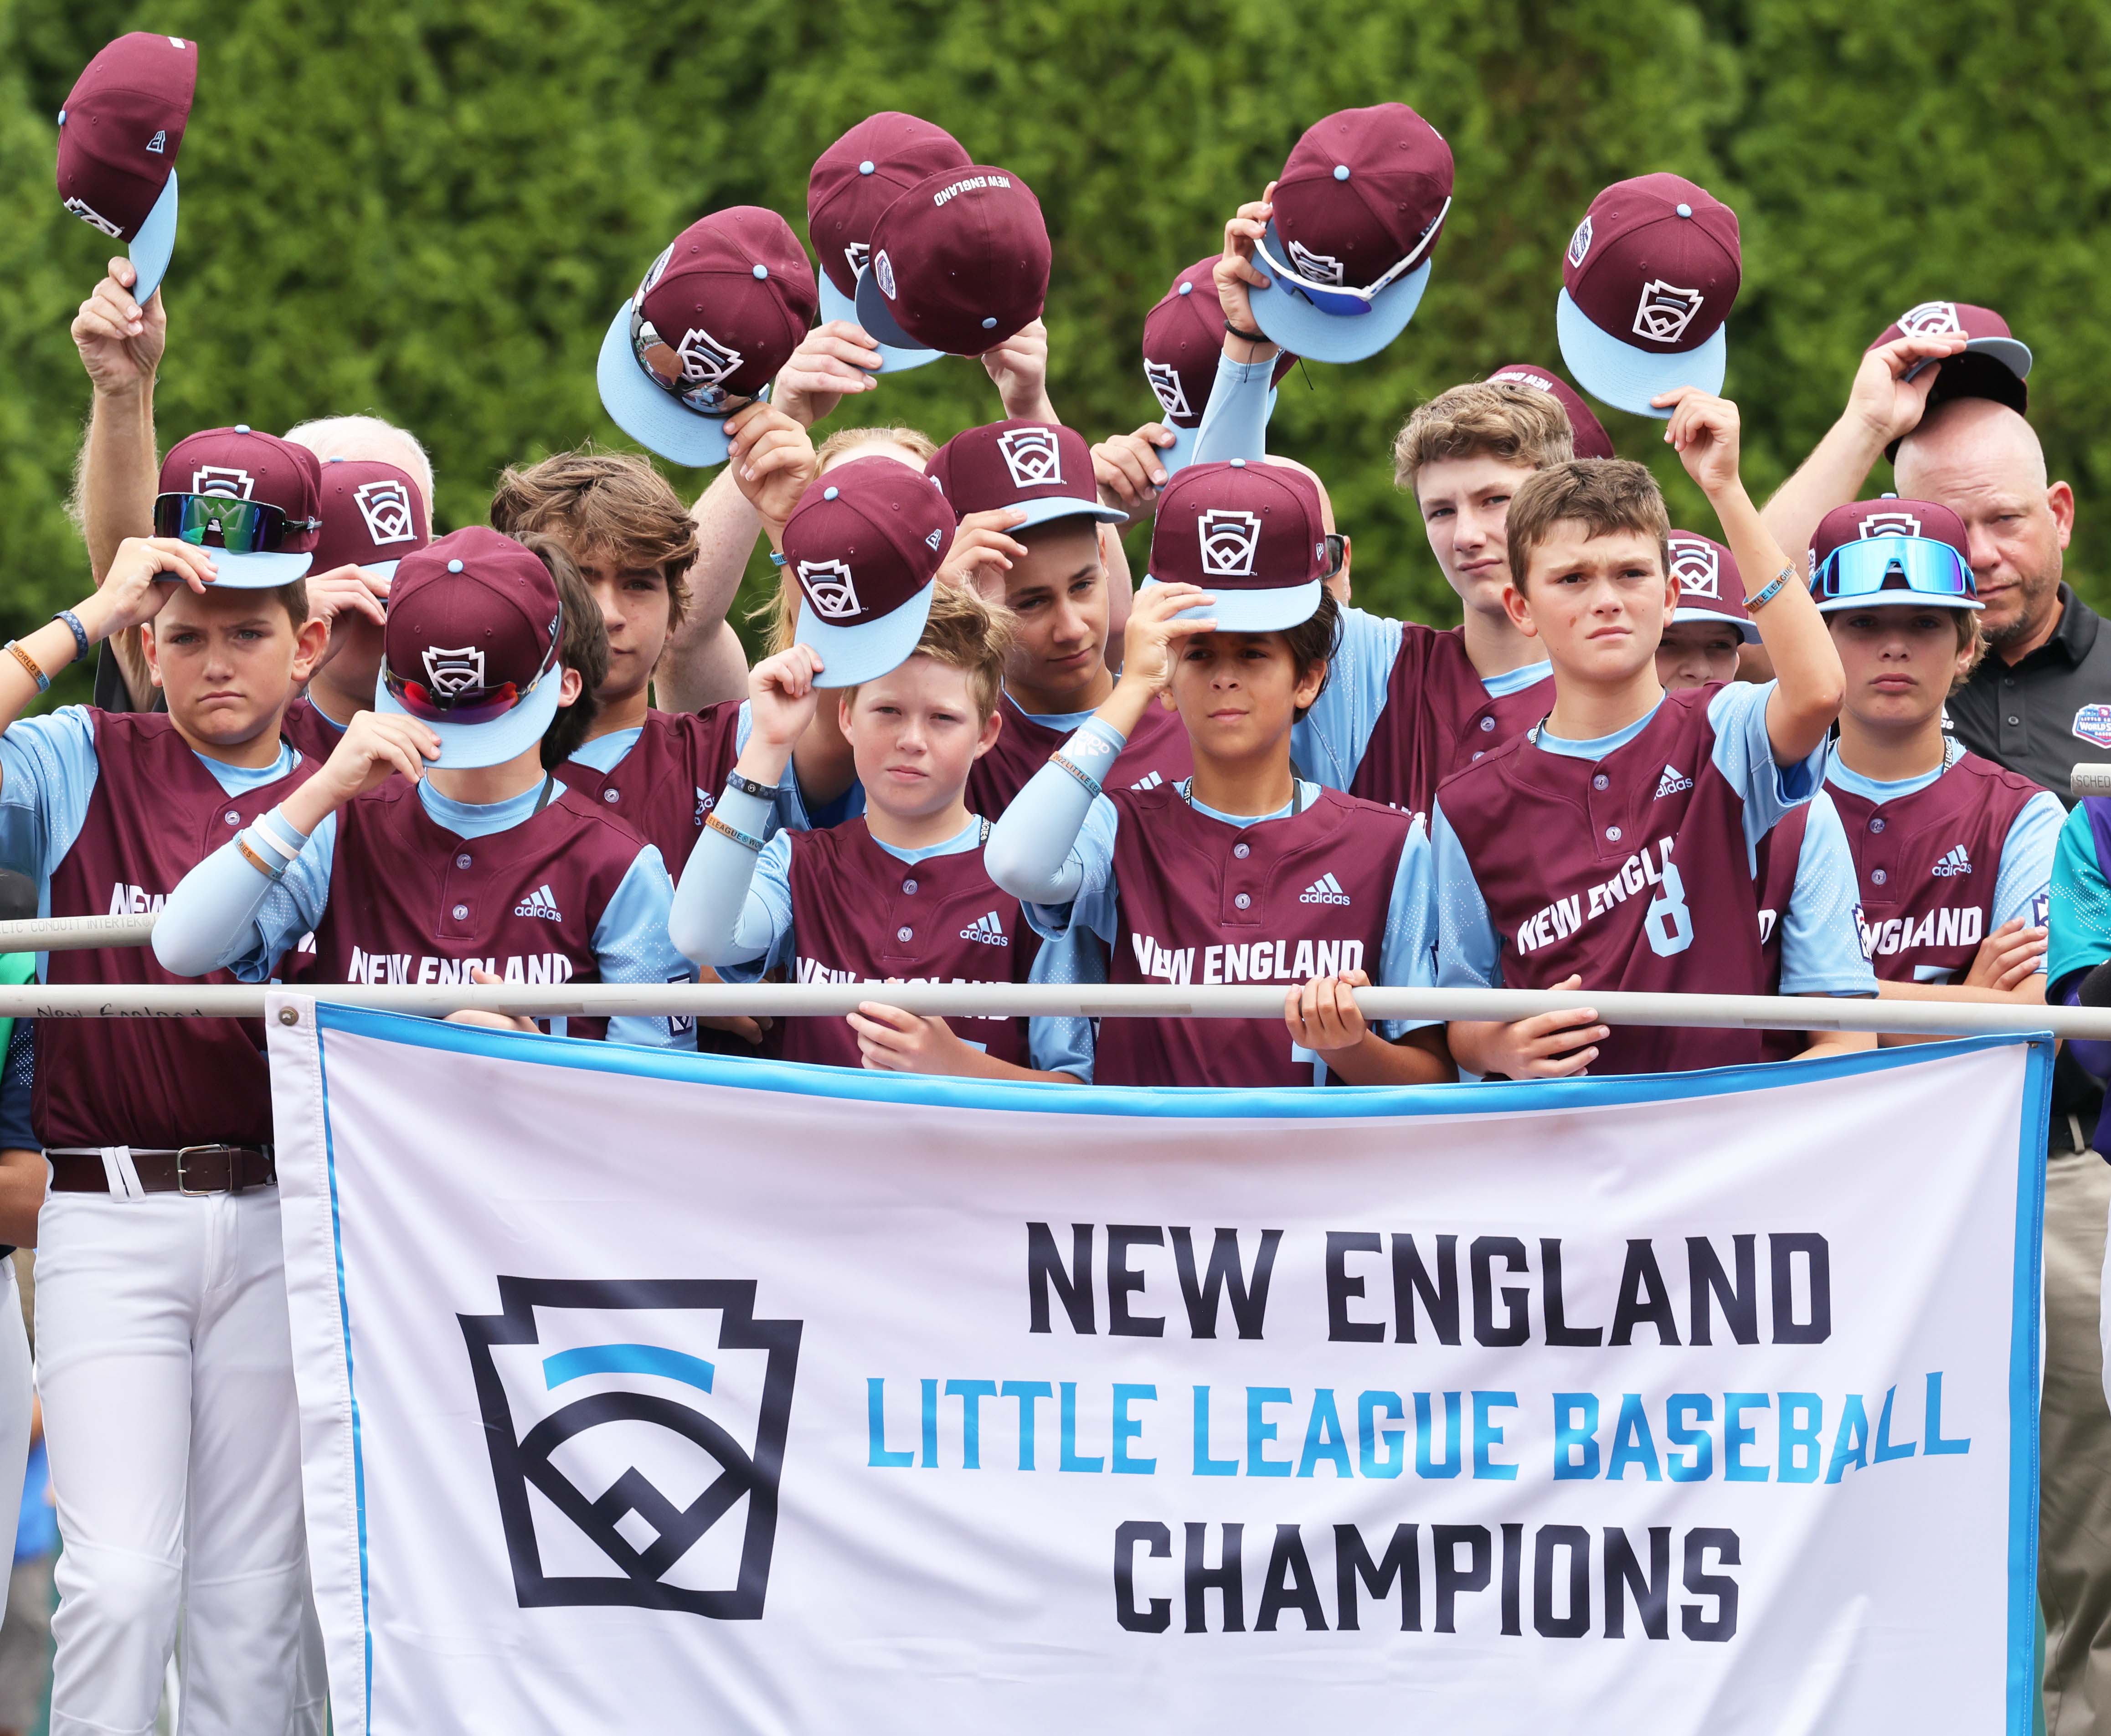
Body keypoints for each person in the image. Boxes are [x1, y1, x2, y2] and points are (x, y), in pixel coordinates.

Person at [0, 496, 327, 1733]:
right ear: (148, 644)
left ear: (304, 646)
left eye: (247, 632)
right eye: (183, 635)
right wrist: (83, 619)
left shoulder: (340, 785)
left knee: (250, 1614)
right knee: (124, 1587)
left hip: (280, 1218)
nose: (213, 661)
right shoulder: (88, 751)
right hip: (106, 1213)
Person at [986, 459, 1452, 1089]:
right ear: (1170, 679)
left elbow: (1434, 1078)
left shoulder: (1391, 844)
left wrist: (1350, 1047)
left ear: (1309, 678)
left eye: (1255, 653)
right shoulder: (1118, 826)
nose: (1224, 676)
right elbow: (1017, 864)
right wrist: (1135, 688)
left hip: (1322, 1178)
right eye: (1199, 654)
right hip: (1148, 1181)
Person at [1432, 393, 1855, 1079]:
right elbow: (1462, 1008)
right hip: (1564, 1150)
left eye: (1631, 573)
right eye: (1571, 579)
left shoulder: (1724, 727)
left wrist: (1725, 490)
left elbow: (1818, 691)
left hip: (1714, 1141)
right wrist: (1499, 1048)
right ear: (1522, 607)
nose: (1606, 598)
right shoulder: (1466, 804)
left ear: (1669, 599)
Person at [152, 528, 696, 1051]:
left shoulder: (618, 862)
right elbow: (183, 947)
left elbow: (661, 1095)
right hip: (365, 1149)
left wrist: (536, 1055)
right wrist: (318, 793)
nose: (462, 741)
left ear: (567, 684)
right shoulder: (342, 824)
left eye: (489, 709)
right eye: (436, 703)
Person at [1189, 192, 1570, 816]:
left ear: (1555, 500)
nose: (1467, 535)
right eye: (1441, 511)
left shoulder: (1629, 677)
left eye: (1494, 500)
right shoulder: (1376, 668)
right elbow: (1215, 540)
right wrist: (1250, 342)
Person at [674, 573, 1091, 1079]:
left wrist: (954, 1064)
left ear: (987, 733)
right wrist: (768, 744)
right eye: (888, 710)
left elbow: (1073, 1088)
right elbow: (701, 937)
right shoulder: (797, 863)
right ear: (847, 716)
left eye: (942, 718)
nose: (912, 739)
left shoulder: (1033, 883)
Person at [1798, 498, 2059, 1031]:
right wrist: (1968, 1005)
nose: (1894, 646)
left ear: (1966, 644)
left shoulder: (2024, 814)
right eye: (1864, 621)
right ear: (1817, 641)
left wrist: (1803, 989)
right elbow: (1720, 997)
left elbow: (2043, 1026)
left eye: (1924, 622)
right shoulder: (1765, 800)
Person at [913, 419, 1183, 816]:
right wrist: (944, 617)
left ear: (1104, 557)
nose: (1072, 630)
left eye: (1082, 586)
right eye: (1031, 603)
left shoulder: (1198, 711)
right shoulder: (951, 755)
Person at [279, 454, 432, 758]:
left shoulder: (473, 723)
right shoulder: (261, 733)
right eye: (374, 602)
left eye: (419, 598)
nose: (402, 622)